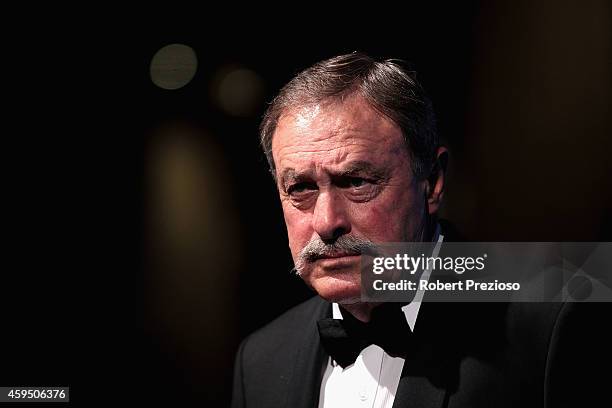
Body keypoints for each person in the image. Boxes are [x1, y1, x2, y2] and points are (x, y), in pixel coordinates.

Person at [230, 52, 608, 408]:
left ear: (432, 181)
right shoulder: (260, 358)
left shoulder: (554, 320)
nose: (327, 222)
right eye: (301, 188)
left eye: (357, 181)